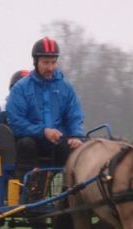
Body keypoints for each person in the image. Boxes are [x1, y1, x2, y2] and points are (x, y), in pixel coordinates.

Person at [6, 37, 85, 180]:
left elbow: (74, 115)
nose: (50, 67)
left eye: (53, 62)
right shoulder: (21, 89)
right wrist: (43, 131)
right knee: (26, 144)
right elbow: (16, 122)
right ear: (35, 62)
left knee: (73, 149)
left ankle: (69, 194)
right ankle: (28, 191)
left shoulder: (66, 88)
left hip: (57, 142)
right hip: (31, 143)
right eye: (45, 62)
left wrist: (75, 136)